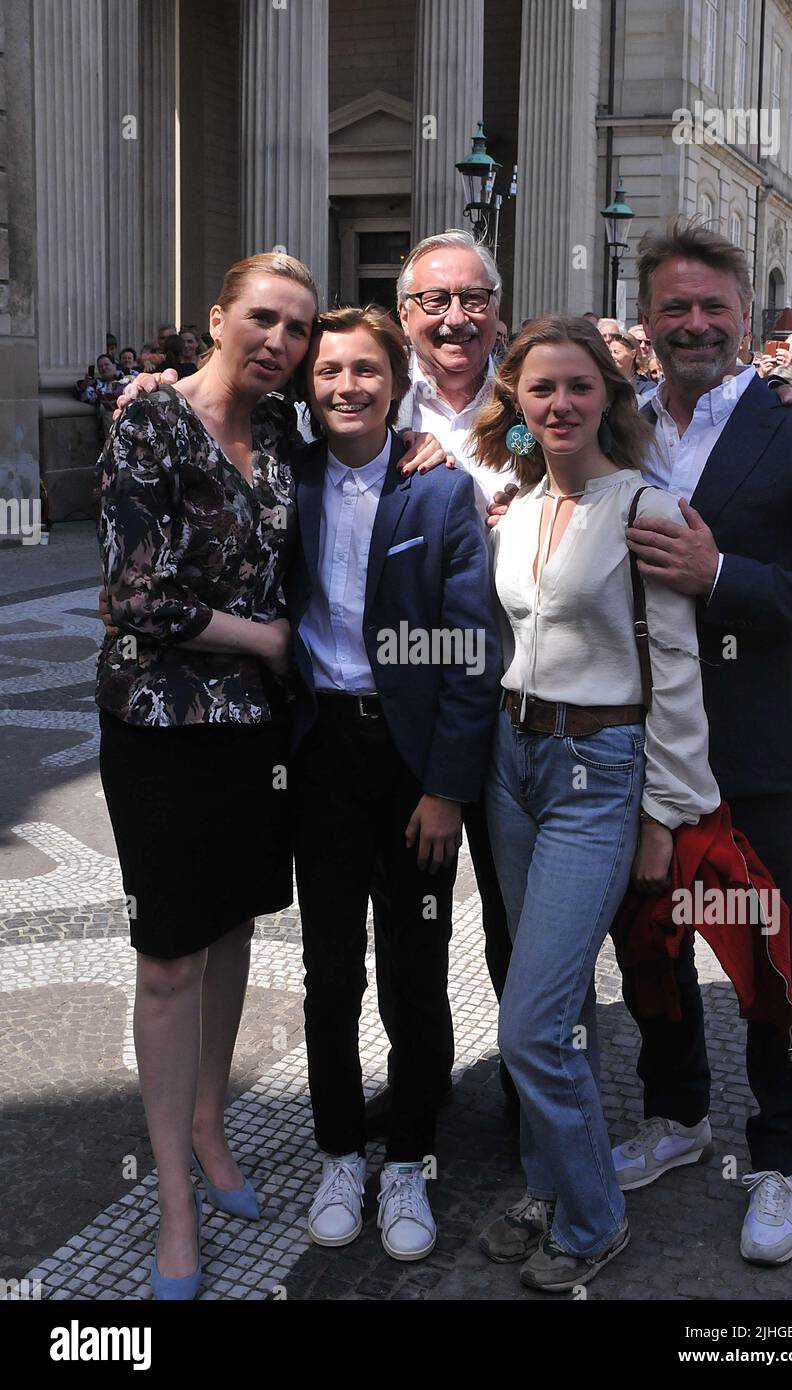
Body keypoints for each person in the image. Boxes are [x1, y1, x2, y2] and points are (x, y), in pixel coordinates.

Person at [613, 220, 792, 1266]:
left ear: (745, 320)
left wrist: (722, 579)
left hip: (748, 746)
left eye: (713, 307)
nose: (695, 323)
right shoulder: (610, 423)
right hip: (622, 747)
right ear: (647, 320)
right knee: (648, 945)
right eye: (675, 306)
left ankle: (777, 1155)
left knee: (765, 956)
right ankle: (678, 1117)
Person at [471, 315, 719, 1293]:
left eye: (578, 386)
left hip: (594, 771)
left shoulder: (645, 507)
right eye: (539, 390)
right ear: (518, 406)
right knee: (555, 1002)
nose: (558, 403)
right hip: (510, 760)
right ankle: (546, 1185)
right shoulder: (520, 507)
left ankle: (589, 1220)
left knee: (528, 1027)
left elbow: (676, 672)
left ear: (605, 401)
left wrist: (663, 815)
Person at [97, 251, 318, 1299]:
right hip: (160, 723)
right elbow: (135, 600)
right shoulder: (149, 419)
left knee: (232, 927)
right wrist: (266, 641)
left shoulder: (282, 433)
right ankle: (172, 1203)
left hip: (250, 734)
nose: (280, 342)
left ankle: (208, 1125)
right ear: (217, 316)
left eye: (297, 329)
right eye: (263, 319)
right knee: (168, 958)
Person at [287, 306, 500, 1260]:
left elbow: (468, 651)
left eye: (365, 370)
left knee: (415, 968)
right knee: (328, 970)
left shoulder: (439, 492)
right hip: (320, 752)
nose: (346, 387)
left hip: (409, 761)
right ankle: (340, 1148)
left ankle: (408, 1154)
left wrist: (447, 788)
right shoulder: (281, 480)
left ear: (394, 381)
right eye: (328, 371)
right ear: (308, 383)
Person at [356, 229, 520, 1129]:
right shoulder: (373, 398)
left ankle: (530, 1093)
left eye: (472, 299)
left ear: (496, 303)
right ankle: (420, 1085)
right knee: (411, 916)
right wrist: (164, 386)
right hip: (411, 701)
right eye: (433, 302)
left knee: (519, 915)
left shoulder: (542, 390)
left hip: (528, 694)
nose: (455, 319)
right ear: (404, 312)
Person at [608, 330, 655, 397]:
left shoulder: (647, 387)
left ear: (633, 354)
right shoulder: (604, 383)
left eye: (616, 352)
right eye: (610, 352)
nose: (611, 356)